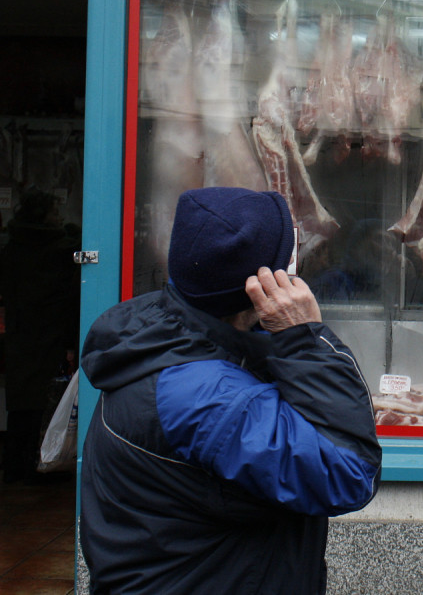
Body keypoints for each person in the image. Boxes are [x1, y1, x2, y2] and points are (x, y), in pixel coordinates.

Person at [80, 187, 381, 594]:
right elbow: (348, 472)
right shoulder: (209, 399)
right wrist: (305, 339)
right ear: (261, 286)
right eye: (287, 261)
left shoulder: (166, 333)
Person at [0, 188, 80, 484]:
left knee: (20, 405)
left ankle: (15, 466)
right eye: (55, 212)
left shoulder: (11, 247)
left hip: (20, 333)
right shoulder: (60, 249)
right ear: (44, 216)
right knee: (51, 400)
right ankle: (45, 462)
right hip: (50, 334)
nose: (59, 217)